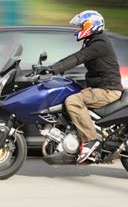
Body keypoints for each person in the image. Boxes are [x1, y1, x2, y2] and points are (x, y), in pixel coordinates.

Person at [44, 10, 123, 163]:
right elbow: (75, 58)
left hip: (108, 89)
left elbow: (79, 58)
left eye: (81, 26)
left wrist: (53, 69)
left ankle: (91, 140)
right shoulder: (92, 41)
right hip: (100, 87)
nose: (78, 30)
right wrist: (53, 68)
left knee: (73, 101)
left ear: (90, 25)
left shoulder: (100, 42)